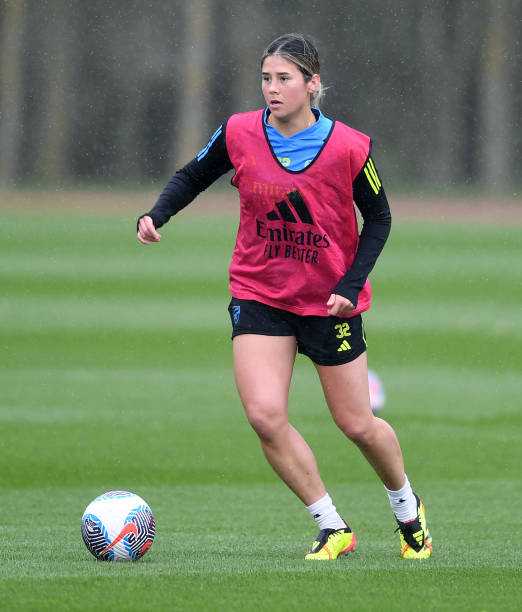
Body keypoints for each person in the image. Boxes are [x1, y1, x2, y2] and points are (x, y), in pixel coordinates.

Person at [137, 33, 432, 561]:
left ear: (312, 85)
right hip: (259, 293)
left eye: (285, 79)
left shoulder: (349, 146)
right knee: (264, 415)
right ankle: (332, 527)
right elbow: (193, 174)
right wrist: (156, 214)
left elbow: (380, 218)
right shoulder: (239, 132)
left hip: (329, 303)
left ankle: (408, 510)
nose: (272, 89)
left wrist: (347, 285)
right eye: (266, 78)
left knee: (356, 424)